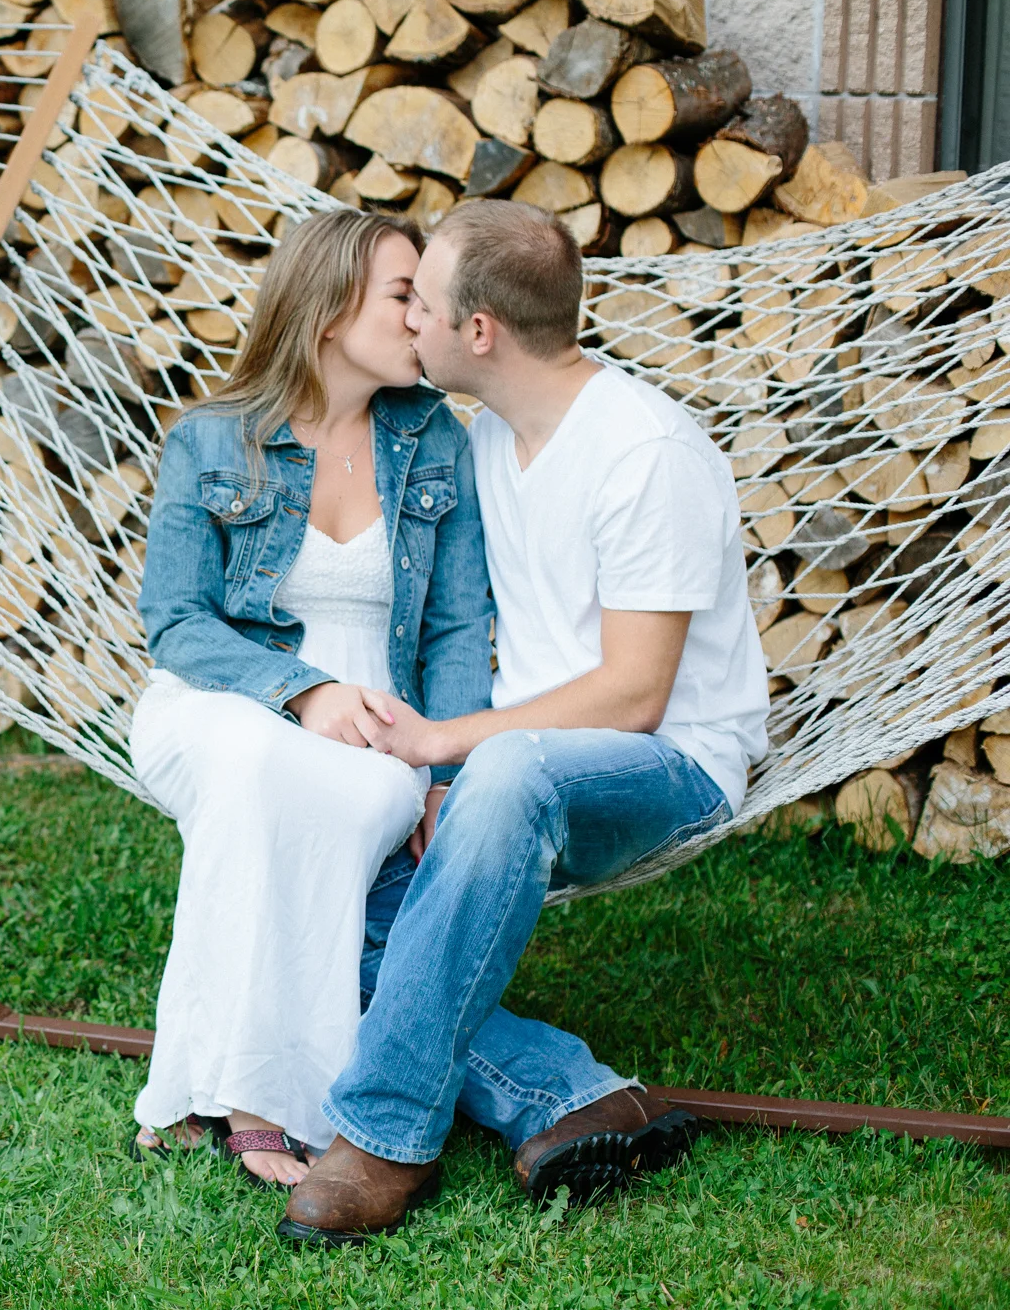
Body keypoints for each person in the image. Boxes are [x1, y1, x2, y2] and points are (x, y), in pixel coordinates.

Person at [278, 200, 771, 1245]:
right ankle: (563, 1096)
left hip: (666, 764)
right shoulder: (489, 436)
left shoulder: (643, 454)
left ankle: (379, 1137)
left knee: (505, 778)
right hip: (522, 762)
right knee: (344, 891)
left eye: (421, 302)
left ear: (479, 333)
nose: (405, 319)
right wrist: (444, 772)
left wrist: (450, 748)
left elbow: (636, 695)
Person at [129, 209, 494, 1190]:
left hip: (377, 730)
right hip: (216, 701)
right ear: (331, 310)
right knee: (253, 767)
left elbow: (458, 627)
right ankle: (260, 1107)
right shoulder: (212, 440)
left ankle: (195, 1082)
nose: (425, 317)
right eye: (402, 297)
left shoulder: (432, 443)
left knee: (339, 802)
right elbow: (174, 621)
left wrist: (441, 774)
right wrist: (301, 692)